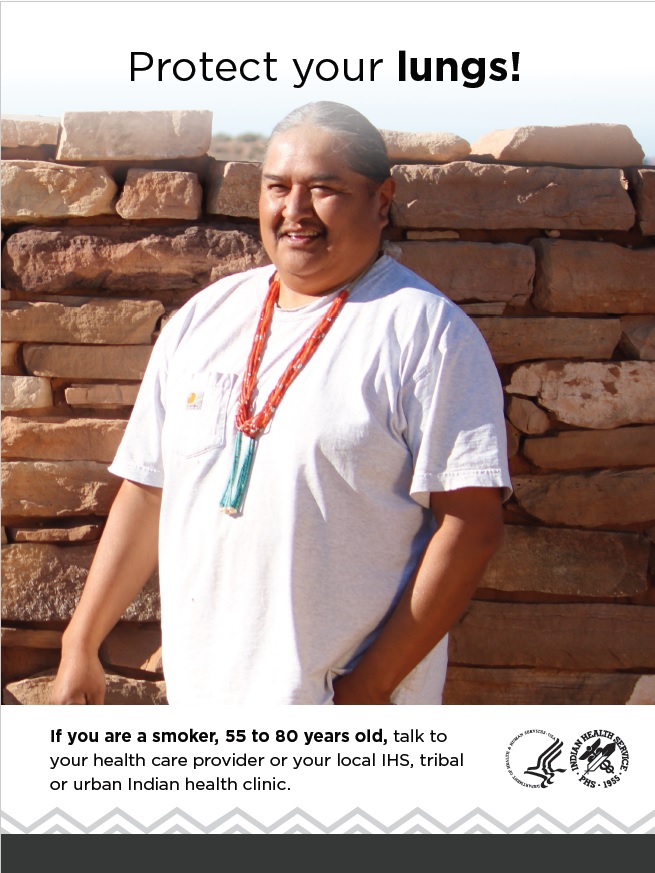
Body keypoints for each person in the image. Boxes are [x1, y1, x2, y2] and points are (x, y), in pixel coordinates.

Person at [52, 101, 511, 706]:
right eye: (277, 187)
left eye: (324, 189)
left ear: (382, 199)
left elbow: (471, 525)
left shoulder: (426, 332)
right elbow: (148, 490)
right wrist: (80, 643)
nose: (294, 211)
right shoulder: (205, 318)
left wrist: (367, 689)